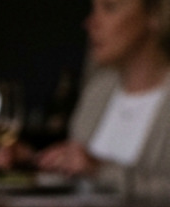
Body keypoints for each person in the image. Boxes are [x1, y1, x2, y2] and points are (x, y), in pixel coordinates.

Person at [22, 0, 170, 194]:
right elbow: (76, 180)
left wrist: (101, 172)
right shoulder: (98, 92)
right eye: (93, 9)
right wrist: (30, 161)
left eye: (110, 8)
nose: (91, 22)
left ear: (154, 16)